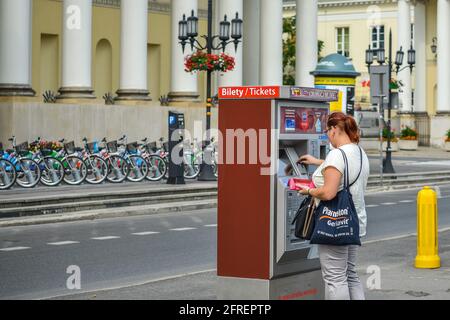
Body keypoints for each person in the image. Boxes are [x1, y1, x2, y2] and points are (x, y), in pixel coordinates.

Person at [297, 112, 370, 300]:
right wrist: (317, 162)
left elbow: (328, 192)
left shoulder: (337, 154)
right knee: (350, 275)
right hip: (354, 223)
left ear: (335, 129)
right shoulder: (359, 152)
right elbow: (345, 168)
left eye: (328, 130)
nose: (327, 135)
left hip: (335, 222)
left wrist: (309, 191)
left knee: (335, 278)